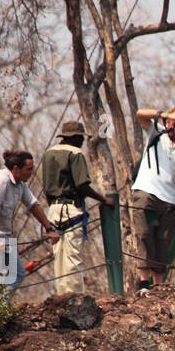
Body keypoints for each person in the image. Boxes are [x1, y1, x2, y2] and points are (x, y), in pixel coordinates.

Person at [41, 119, 111, 294]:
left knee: (59, 256)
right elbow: (82, 186)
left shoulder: (49, 153)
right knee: (73, 257)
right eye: (81, 138)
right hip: (72, 209)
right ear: (75, 137)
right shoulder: (75, 153)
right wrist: (104, 200)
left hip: (53, 210)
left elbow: (47, 189)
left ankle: (61, 295)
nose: (82, 141)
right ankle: (74, 297)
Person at [131, 106, 175, 290]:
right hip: (146, 190)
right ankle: (144, 282)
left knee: (163, 239)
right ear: (168, 123)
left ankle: (158, 285)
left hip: (168, 198)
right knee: (144, 233)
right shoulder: (157, 133)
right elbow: (139, 114)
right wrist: (168, 115)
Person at [0, 149, 58, 292]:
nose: (32, 172)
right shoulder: (0, 181)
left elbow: (33, 205)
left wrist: (49, 228)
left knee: (17, 274)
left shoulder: (20, 183)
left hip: (5, 238)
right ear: (16, 168)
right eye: (28, 169)